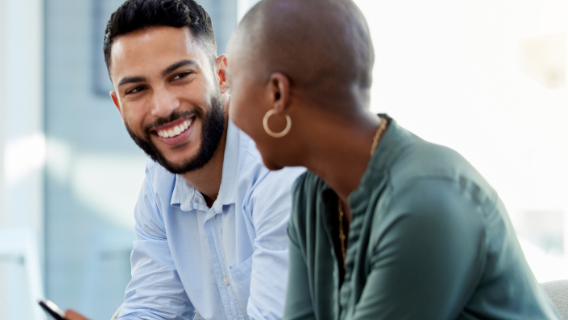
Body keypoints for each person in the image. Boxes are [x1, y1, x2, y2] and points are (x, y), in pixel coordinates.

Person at [225, 0, 560, 319]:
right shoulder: (310, 198)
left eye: (234, 84)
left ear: (277, 94)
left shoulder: (427, 199)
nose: (229, 104)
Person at [67, 1, 304, 319]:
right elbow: (153, 305)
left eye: (179, 76)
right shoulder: (158, 183)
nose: (163, 107)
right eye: (137, 89)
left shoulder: (277, 166)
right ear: (119, 104)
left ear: (221, 75)